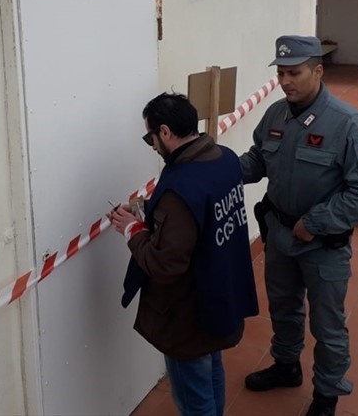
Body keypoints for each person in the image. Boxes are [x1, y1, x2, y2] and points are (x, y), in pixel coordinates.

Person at [240, 35, 358, 416]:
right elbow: (256, 161)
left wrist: (315, 223)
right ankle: (286, 367)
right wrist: (214, 166)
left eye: (294, 72)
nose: (286, 81)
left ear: (317, 71)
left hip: (322, 245)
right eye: (281, 73)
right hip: (280, 235)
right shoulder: (275, 115)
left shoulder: (349, 124)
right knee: (283, 308)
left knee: (327, 323)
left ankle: (326, 395)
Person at [108, 92, 258, 416]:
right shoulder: (225, 158)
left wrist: (132, 230)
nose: (151, 145)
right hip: (219, 298)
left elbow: (165, 264)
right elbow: (199, 214)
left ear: (164, 132)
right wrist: (146, 210)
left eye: (150, 137)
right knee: (212, 367)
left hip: (188, 315)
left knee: (193, 399)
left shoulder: (180, 184)